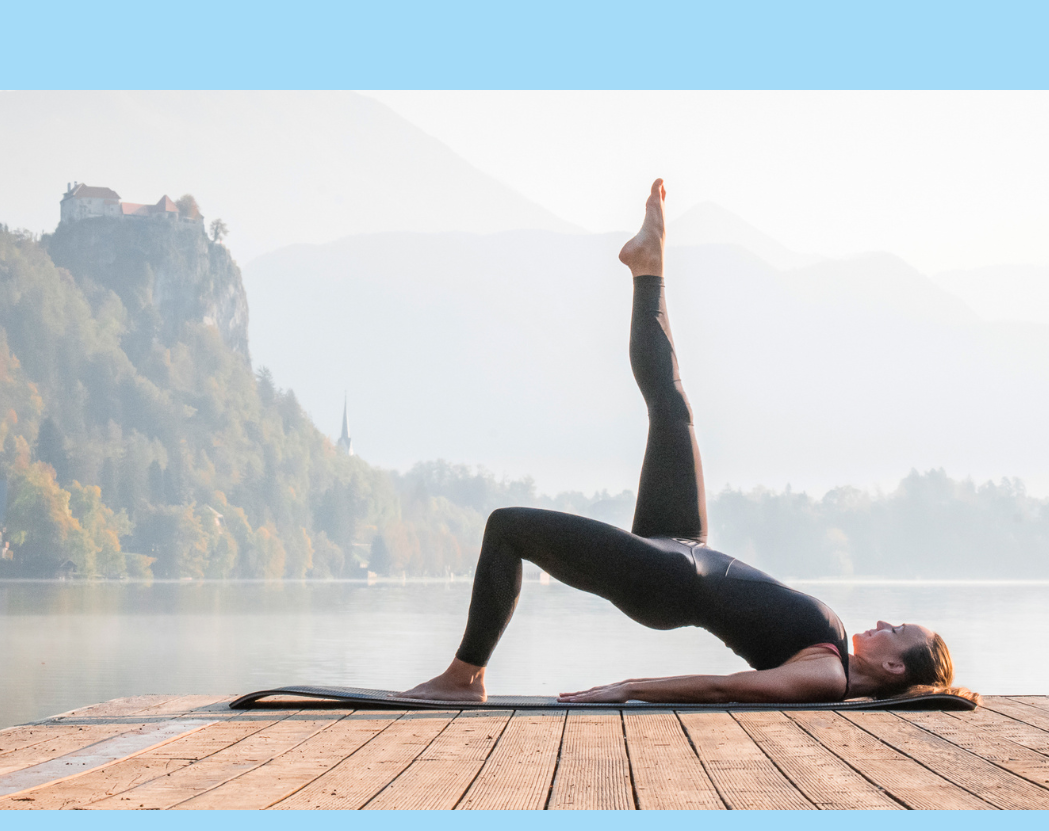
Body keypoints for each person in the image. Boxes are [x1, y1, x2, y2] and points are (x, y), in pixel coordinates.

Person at [396, 179, 973, 705]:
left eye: (895, 631)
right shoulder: (835, 651)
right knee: (672, 407)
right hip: (681, 545)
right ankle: (649, 266)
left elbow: (725, 685)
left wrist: (629, 687)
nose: (882, 622)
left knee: (508, 526)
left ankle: (465, 677)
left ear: (895, 665)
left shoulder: (827, 678)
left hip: (666, 582)